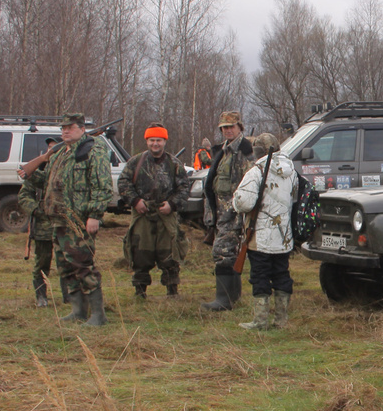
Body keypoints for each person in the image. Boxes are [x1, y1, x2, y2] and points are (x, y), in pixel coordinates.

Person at [42, 112, 113, 325]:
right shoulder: (61, 153)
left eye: (70, 127)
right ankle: (78, 311)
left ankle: (98, 315)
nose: (65, 131)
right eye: (63, 128)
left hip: (78, 220)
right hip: (60, 220)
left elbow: (103, 186)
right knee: (65, 266)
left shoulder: (93, 150)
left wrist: (95, 215)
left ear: (82, 129)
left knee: (83, 264)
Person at [118, 122, 191, 299]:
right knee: (140, 253)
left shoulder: (174, 164)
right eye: (151, 140)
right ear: (147, 141)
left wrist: (172, 205)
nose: (155, 144)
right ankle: (140, 292)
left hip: (166, 216)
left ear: (164, 141)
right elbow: (123, 182)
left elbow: (184, 188)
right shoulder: (135, 161)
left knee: (170, 254)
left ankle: (172, 292)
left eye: (158, 140)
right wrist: (135, 201)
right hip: (142, 214)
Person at [232, 132, 296, 331]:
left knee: (260, 276)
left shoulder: (256, 171)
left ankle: (260, 322)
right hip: (283, 235)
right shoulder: (291, 171)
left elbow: (244, 202)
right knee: (281, 275)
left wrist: (235, 200)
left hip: (260, 235)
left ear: (257, 150)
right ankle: (281, 321)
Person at [201, 111, 254, 311]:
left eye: (231, 126)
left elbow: (248, 185)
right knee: (229, 253)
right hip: (222, 213)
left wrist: (238, 214)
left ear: (240, 127)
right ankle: (232, 297)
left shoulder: (245, 152)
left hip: (234, 213)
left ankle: (223, 300)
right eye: (224, 127)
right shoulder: (224, 150)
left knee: (222, 252)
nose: (227, 130)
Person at [18, 137, 64, 307]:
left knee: (65, 262)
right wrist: (37, 210)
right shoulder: (37, 171)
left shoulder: (66, 170)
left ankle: (68, 297)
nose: (52, 152)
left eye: (55, 149)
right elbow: (23, 196)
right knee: (42, 262)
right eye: (50, 149)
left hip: (63, 225)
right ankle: (41, 297)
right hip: (43, 226)